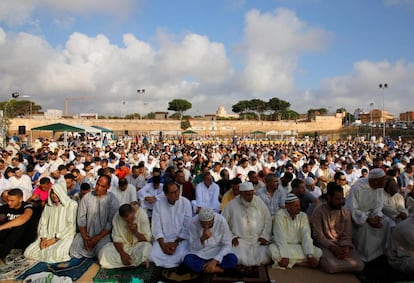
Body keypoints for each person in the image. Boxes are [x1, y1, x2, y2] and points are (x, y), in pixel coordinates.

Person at [310, 183, 364, 273]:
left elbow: (347, 233)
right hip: (325, 244)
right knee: (332, 267)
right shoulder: (318, 212)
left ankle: (341, 263)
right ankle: (341, 264)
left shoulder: (345, 212)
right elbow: (318, 236)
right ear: (329, 198)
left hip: (341, 243)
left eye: (342, 199)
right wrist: (333, 248)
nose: (341, 202)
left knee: (360, 265)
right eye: (337, 199)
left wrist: (345, 247)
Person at [345, 168, 392, 262]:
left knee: (387, 222)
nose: (384, 183)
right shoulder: (358, 187)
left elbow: (379, 205)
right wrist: (367, 219)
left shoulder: (379, 188)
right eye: (382, 180)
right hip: (358, 218)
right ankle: (364, 257)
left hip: (372, 216)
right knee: (365, 228)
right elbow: (352, 209)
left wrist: (377, 216)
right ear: (375, 181)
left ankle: (381, 252)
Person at [24, 183, 78, 263]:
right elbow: (43, 223)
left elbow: (71, 226)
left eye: (56, 193)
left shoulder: (72, 205)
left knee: (56, 253)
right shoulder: (48, 206)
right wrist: (43, 238)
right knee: (28, 252)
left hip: (64, 236)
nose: (54, 195)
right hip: (47, 236)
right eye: (52, 193)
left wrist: (54, 239)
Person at [222, 182, 272, 266]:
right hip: (240, 240)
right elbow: (223, 223)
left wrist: (264, 236)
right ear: (241, 193)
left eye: (251, 194)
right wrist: (232, 237)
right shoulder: (231, 205)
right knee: (237, 257)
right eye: (247, 195)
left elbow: (268, 219)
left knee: (266, 256)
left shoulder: (259, 202)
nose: (250, 197)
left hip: (257, 239)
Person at [69, 175, 119, 259]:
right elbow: (81, 219)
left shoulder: (113, 200)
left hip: (103, 235)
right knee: (73, 252)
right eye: (97, 184)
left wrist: (97, 238)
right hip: (87, 234)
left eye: (102, 186)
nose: (98, 188)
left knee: (101, 253)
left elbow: (110, 223)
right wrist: (85, 237)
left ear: (108, 187)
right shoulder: (87, 197)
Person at [269, 193, 322, 269]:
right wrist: (285, 255)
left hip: (299, 246)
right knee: (272, 250)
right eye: (295, 206)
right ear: (287, 206)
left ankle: (293, 262)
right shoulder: (279, 215)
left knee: (318, 252)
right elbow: (280, 237)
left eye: (299, 205)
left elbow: (306, 236)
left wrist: (309, 255)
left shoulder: (303, 216)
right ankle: (302, 263)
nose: (298, 208)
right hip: (284, 246)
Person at [150, 182, 192, 268]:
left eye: (177, 191)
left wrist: (175, 243)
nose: (176, 194)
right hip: (164, 239)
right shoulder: (158, 205)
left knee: (183, 255)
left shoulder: (185, 203)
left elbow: (187, 226)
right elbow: (156, 226)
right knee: (153, 255)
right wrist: (163, 245)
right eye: (173, 193)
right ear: (166, 194)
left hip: (180, 239)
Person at [183, 208, 237, 274]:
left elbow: (227, 244)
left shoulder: (221, 221)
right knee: (188, 260)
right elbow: (193, 247)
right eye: (203, 225)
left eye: (209, 224)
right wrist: (202, 239)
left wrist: (215, 260)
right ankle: (219, 270)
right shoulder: (193, 222)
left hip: (217, 250)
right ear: (199, 221)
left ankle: (205, 269)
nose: (206, 227)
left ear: (213, 220)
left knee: (232, 259)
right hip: (201, 253)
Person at [99, 203, 152, 269]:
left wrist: (135, 231)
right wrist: (122, 254)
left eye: (131, 218)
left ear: (133, 212)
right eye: (126, 220)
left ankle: (126, 263)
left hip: (138, 246)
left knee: (147, 247)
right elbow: (116, 238)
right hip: (123, 247)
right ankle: (136, 263)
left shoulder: (142, 214)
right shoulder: (117, 217)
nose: (129, 221)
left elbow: (147, 240)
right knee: (103, 252)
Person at [0, 188, 36, 262]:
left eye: (12, 201)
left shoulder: (27, 206)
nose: (9, 203)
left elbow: (23, 218)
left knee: (19, 226)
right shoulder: (5, 207)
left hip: (24, 238)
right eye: (8, 200)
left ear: (20, 199)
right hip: (8, 239)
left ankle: (1, 256)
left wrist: (1, 227)